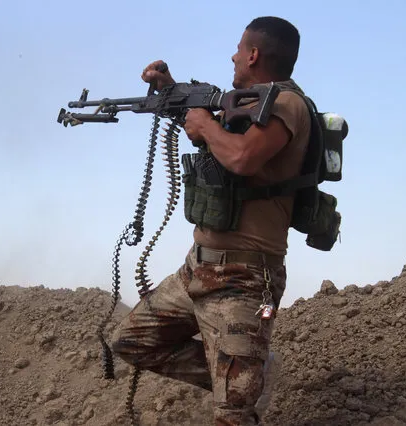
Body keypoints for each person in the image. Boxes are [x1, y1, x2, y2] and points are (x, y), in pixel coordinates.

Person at [111, 16, 311, 425]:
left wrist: (204, 124)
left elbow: (242, 156)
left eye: (239, 49)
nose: (233, 56)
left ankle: (240, 387)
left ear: (253, 54)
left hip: (245, 278)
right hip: (197, 270)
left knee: (231, 415)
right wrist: (173, 93)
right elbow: (225, 143)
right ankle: (244, 378)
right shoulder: (249, 103)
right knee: (131, 341)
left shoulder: (286, 104)